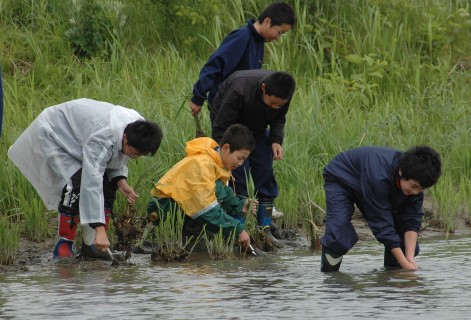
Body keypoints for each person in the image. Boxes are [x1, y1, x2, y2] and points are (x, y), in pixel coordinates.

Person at [8, 98, 163, 260]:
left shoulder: (138, 129)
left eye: (142, 155)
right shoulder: (104, 137)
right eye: (136, 153)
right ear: (124, 138)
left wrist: (120, 180)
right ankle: (63, 246)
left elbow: (115, 157)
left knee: (109, 185)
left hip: (82, 136)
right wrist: (100, 229)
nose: (136, 158)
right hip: (55, 134)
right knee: (75, 184)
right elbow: (92, 182)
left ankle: (91, 247)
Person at [320, 145, 442, 272]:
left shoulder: (415, 181)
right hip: (342, 178)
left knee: (403, 244)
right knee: (339, 233)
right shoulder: (379, 176)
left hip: (373, 182)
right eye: (413, 186)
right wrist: (404, 263)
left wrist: (409, 259)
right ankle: (330, 281)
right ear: (401, 172)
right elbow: (381, 223)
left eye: (420, 190)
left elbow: (411, 220)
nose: (416, 192)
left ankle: (392, 284)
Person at [210, 69, 296, 240]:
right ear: (263, 88)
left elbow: (279, 118)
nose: (275, 107)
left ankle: (264, 229)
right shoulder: (238, 89)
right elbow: (220, 127)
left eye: (279, 105)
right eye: (272, 103)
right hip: (231, 129)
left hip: (258, 129)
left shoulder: (283, 93)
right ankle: (237, 229)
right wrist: (228, 155)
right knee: (238, 176)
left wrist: (276, 140)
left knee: (265, 171)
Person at [148, 124, 256, 249]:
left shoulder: (214, 162)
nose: (241, 163)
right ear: (226, 148)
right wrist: (237, 229)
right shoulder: (203, 165)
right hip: (163, 208)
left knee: (212, 232)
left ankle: (192, 239)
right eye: (239, 158)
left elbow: (221, 190)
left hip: (177, 206)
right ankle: (181, 240)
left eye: (244, 160)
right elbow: (207, 210)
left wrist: (239, 205)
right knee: (204, 234)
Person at [189, 1, 295, 117]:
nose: (278, 38)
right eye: (280, 32)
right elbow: (215, 65)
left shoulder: (258, 41)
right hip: (224, 106)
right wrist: (198, 97)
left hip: (241, 106)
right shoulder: (242, 37)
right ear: (267, 22)